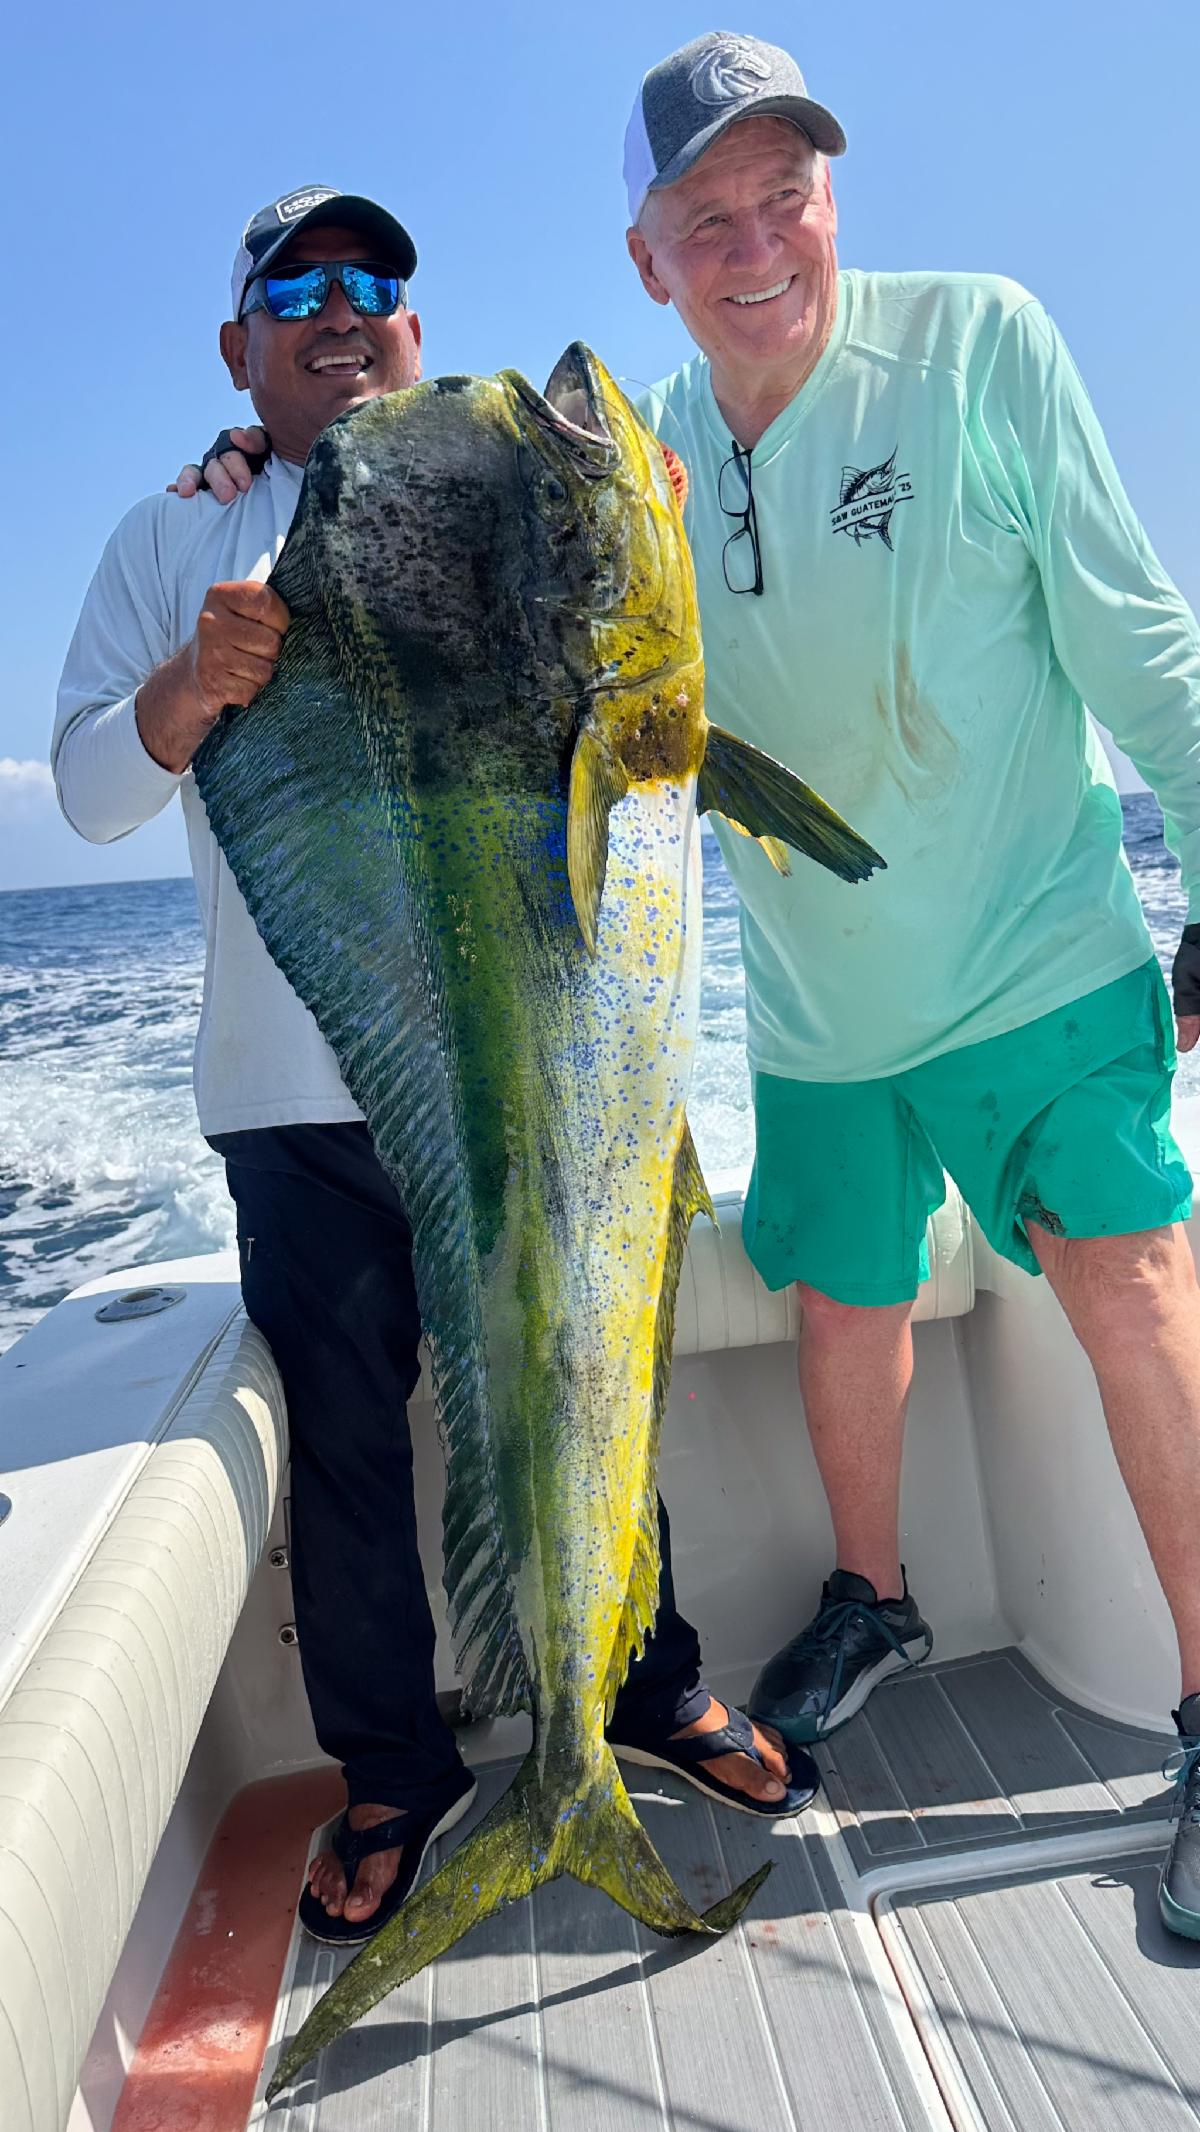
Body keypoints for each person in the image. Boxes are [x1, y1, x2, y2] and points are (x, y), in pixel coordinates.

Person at [54, 183, 816, 1950]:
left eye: (373, 281)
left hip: (532, 1066)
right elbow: (89, 792)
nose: (342, 309)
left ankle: (642, 1691)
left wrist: (652, 516)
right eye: (295, 289)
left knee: (594, 1362)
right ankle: (395, 1776)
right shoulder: (172, 535)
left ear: (412, 318)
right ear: (236, 347)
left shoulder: (510, 484)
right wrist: (186, 690)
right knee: (346, 1454)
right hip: (296, 1106)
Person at [618, 30, 1200, 1939]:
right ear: (647, 259)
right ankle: (872, 1603)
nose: (755, 243)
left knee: (1130, 1288)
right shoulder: (643, 458)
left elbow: (1143, 643)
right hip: (819, 1012)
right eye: (707, 215)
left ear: (832, 197)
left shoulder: (980, 343)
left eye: (783, 194)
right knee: (845, 1302)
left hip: (1040, 954)